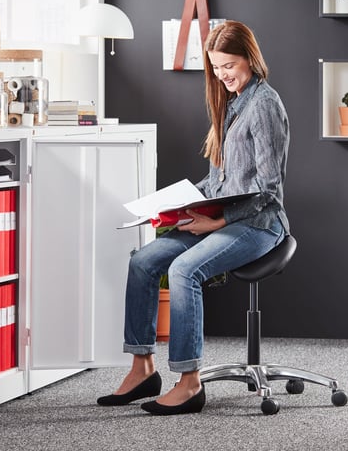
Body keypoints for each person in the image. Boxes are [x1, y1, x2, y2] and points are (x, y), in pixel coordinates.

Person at [97, 20, 290, 415]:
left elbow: (269, 189)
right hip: (221, 216)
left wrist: (218, 222)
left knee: (185, 269)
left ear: (250, 59)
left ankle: (189, 383)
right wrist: (181, 206)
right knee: (144, 260)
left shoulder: (264, 104)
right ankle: (143, 369)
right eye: (216, 67)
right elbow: (222, 179)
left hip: (259, 224)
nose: (222, 75)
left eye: (229, 65)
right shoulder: (232, 103)